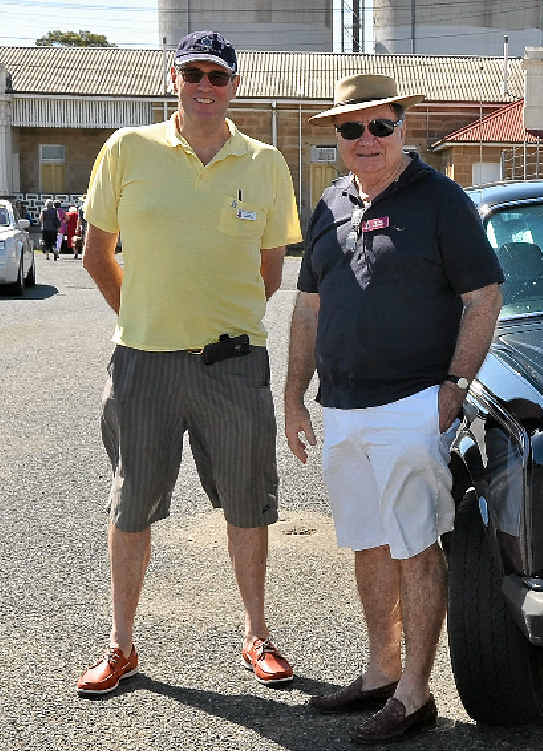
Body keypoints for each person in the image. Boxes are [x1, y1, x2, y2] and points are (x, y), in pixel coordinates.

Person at [77, 29, 302, 697]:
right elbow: (96, 255)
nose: (206, 86)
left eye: (218, 76)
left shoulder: (265, 163)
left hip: (233, 367)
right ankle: (121, 647)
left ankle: (257, 636)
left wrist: (217, 324)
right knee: (131, 507)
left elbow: (270, 272)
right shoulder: (127, 150)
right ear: (172, 79)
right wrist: (143, 316)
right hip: (142, 365)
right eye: (193, 74)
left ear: (235, 87)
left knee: (248, 504)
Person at [284, 74, 504, 743]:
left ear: (403, 126)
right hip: (343, 408)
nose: (366, 140)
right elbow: (307, 308)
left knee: (414, 547)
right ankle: (380, 670)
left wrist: (455, 387)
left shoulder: (440, 201)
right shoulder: (327, 204)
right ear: (339, 138)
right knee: (368, 543)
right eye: (351, 129)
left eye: (380, 125)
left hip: (414, 404)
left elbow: (484, 297)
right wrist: (293, 393)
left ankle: (415, 692)